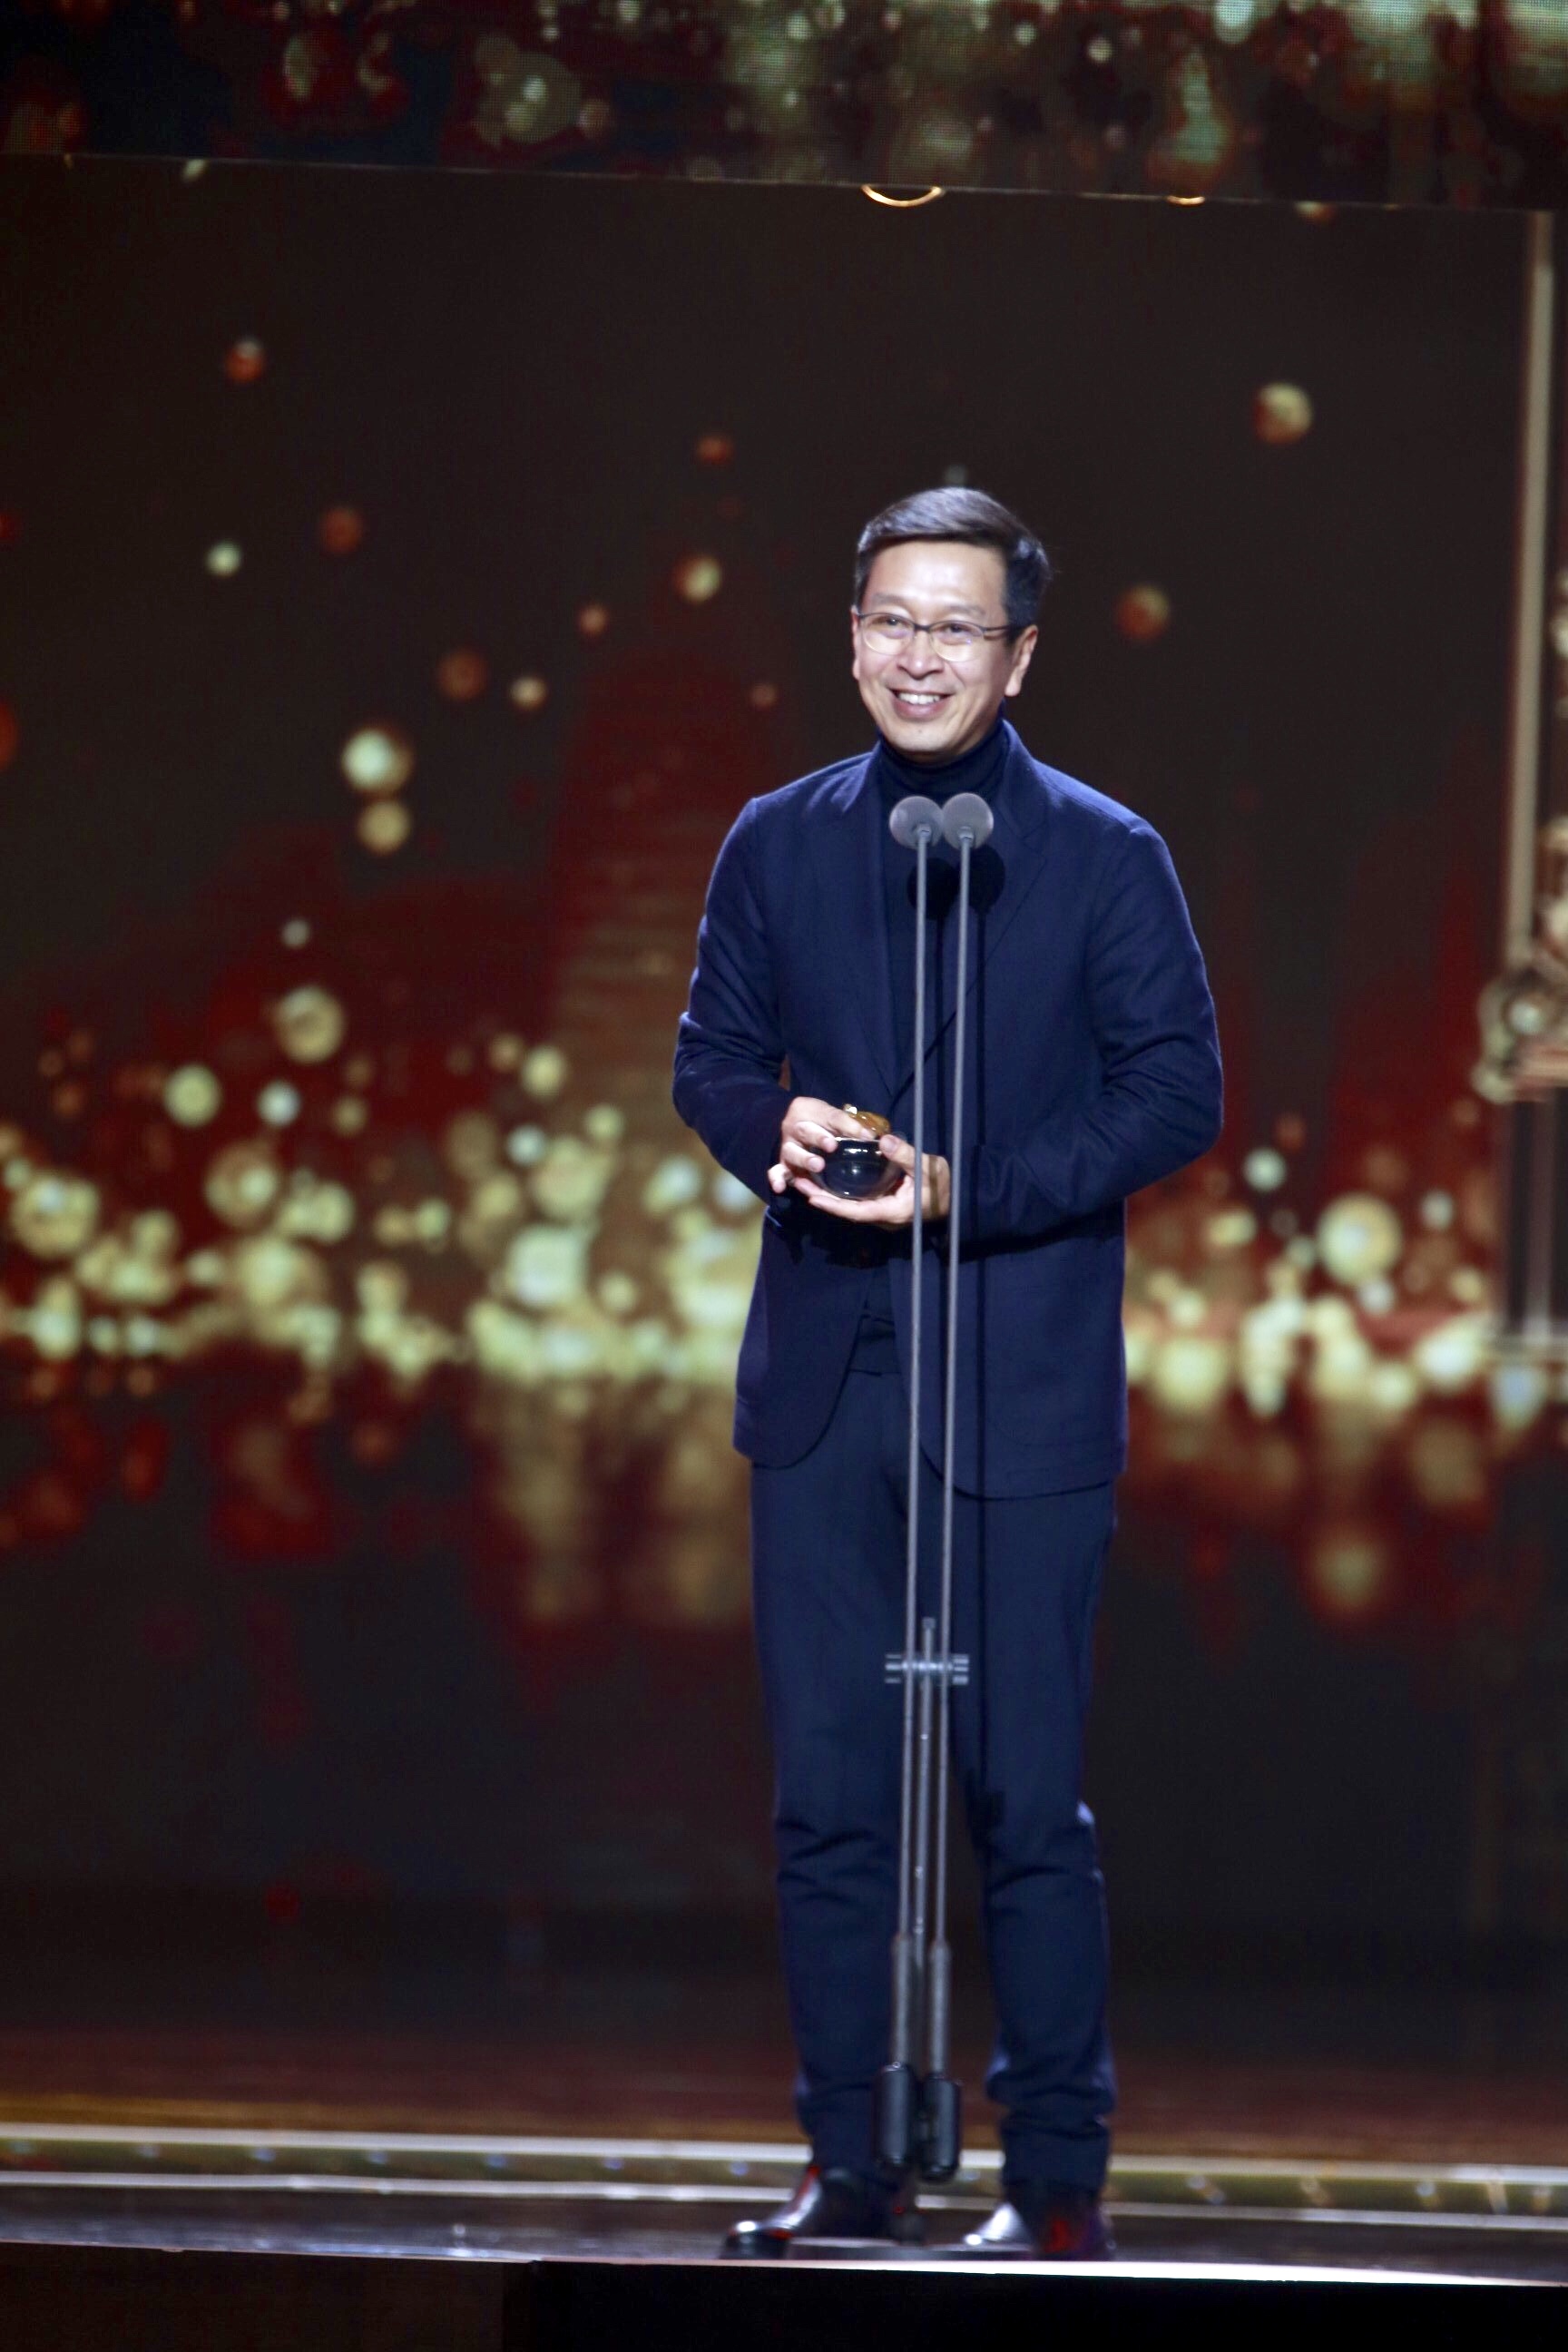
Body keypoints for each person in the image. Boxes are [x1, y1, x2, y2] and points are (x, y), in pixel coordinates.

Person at [671, 487, 1221, 2259]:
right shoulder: (776, 841)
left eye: (958, 628)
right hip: (829, 1383)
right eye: (893, 622)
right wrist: (772, 1128)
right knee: (829, 1800)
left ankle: (1054, 2181)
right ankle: (852, 2163)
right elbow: (709, 1060)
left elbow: (1176, 1094)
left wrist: (964, 1188)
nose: (921, 656)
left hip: (1022, 1389)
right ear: (852, 638)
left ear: (1019, 656)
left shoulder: (1106, 856)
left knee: (1024, 1803)